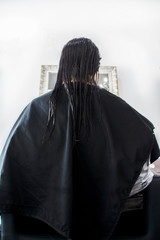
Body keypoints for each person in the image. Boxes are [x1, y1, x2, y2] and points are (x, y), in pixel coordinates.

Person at [0, 37, 159, 240]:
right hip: (113, 226)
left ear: (62, 65)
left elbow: (11, 173)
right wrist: (149, 174)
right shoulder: (120, 110)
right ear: (96, 67)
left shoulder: (35, 109)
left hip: (40, 224)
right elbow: (140, 175)